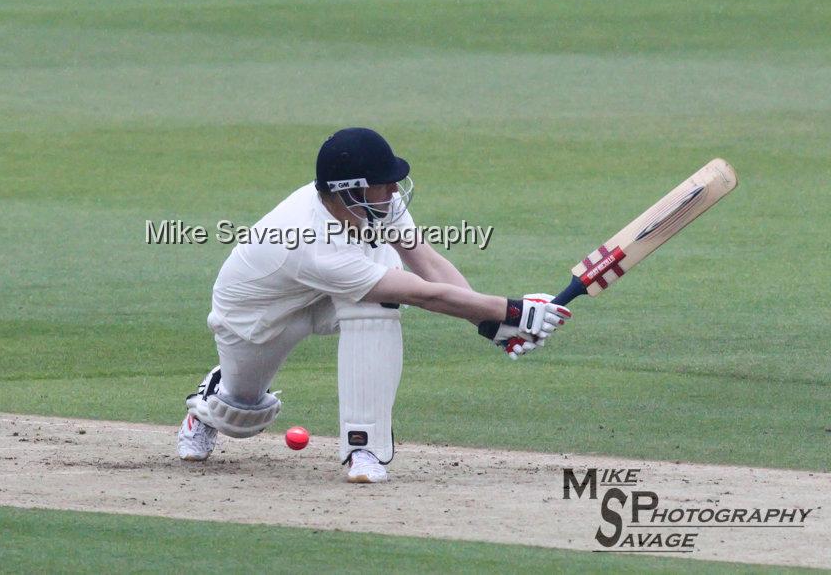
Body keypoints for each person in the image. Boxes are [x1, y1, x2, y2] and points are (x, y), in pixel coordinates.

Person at [177, 128, 572, 483]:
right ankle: (211, 402)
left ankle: (363, 448)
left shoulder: (369, 205)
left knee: (379, 302)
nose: (395, 192)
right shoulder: (310, 244)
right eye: (385, 185)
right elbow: (423, 293)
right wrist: (514, 313)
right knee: (242, 414)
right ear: (351, 190)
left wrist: (491, 325)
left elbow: (426, 261)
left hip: (328, 294)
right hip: (257, 318)